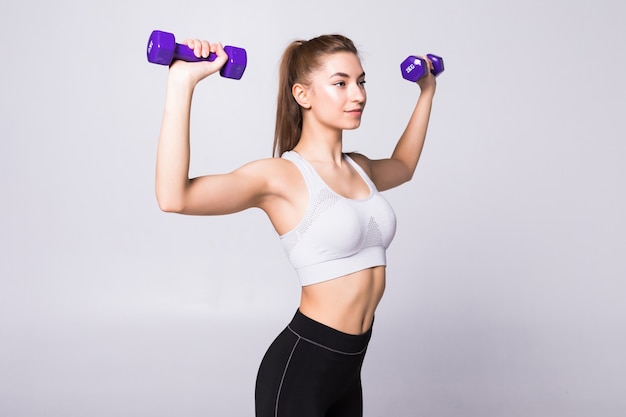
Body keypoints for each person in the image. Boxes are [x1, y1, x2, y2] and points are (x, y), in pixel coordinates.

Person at [155, 33, 437, 417]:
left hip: (348, 369)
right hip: (300, 370)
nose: (358, 95)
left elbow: (403, 166)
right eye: (340, 83)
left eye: (361, 81)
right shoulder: (279, 177)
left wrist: (426, 93)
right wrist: (181, 83)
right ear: (303, 95)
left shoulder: (360, 167)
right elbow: (175, 198)